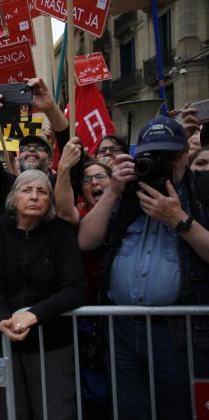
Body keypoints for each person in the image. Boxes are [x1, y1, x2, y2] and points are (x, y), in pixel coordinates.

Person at [78, 116, 209, 419]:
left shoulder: (201, 193)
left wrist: (179, 220)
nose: (160, 163)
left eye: (168, 155)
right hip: (123, 328)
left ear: (183, 155)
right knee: (129, 411)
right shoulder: (125, 194)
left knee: (178, 410)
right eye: (152, 156)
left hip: (178, 332)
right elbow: (86, 240)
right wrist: (112, 190)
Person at [0, 169, 87, 420]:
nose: (35, 197)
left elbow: (76, 289)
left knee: (55, 413)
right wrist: (1, 319)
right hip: (5, 341)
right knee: (8, 413)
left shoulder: (60, 232)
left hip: (52, 344)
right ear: (13, 198)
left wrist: (34, 315)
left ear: (51, 200)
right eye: (26, 190)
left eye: (42, 191)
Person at [0, 78, 70, 214]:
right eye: (25, 149)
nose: (31, 149)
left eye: (39, 148)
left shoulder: (59, 185)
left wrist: (51, 108)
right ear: (18, 160)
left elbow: (71, 150)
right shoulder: (7, 185)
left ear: (51, 161)